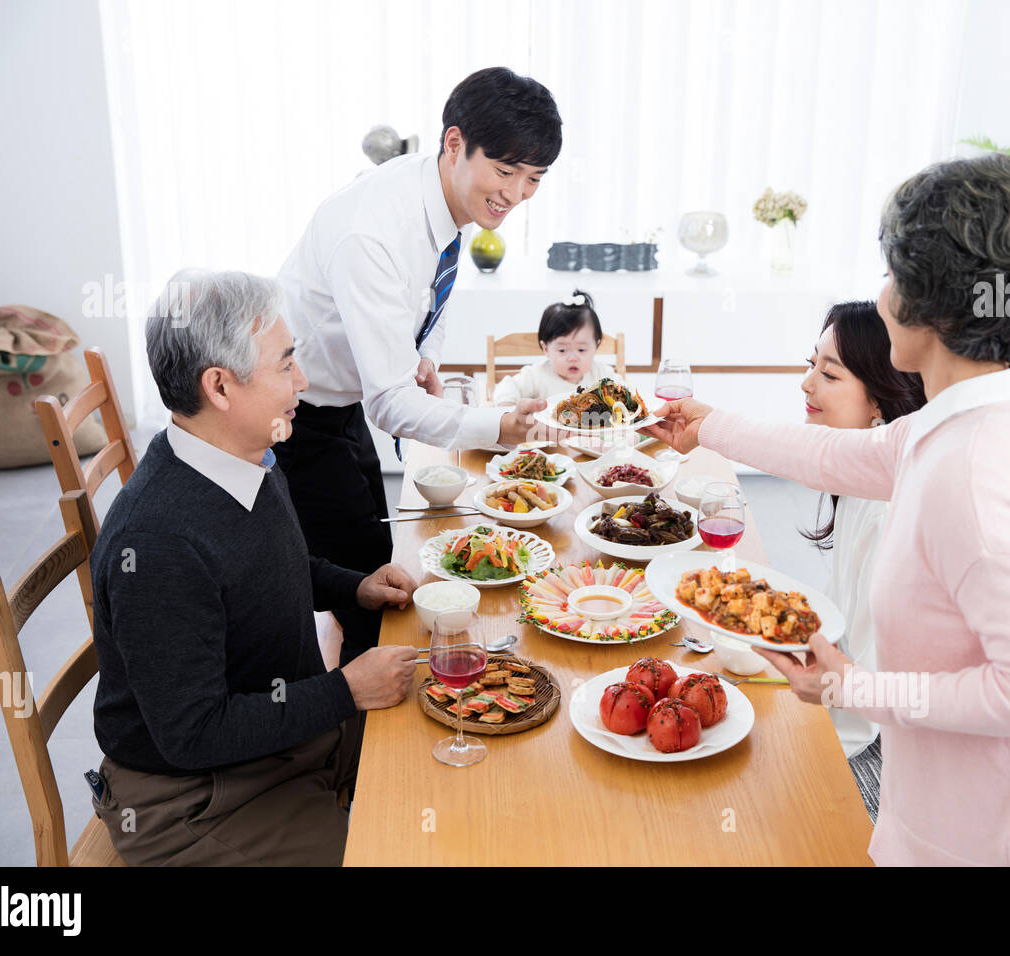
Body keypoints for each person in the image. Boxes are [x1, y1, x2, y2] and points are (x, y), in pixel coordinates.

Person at [643, 153, 1010, 866]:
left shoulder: (973, 476)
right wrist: (707, 424)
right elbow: (845, 457)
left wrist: (853, 684)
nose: (881, 295)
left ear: (931, 303)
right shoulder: (979, 416)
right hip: (951, 809)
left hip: (1004, 842)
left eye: (892, 274)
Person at [89, 269, 419, 865]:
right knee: (391, 851)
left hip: (283, 738)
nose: (304, 380)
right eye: (285, 363)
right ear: (220, 386)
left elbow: (276, 565)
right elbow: (193, 733)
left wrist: (357, 588)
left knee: (442, 741)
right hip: (192, 797)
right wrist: (346, 688)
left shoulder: (249, 457)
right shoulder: (157, 543)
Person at [275, 66, 563, 665]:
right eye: (505, 171)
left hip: (341, 400)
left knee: (385, 555)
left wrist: (420, 356)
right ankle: (358, 750)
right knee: (374, 601)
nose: (515, 195)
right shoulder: (375, 231)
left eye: (532, 179)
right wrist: (496, 425)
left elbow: (426, 295)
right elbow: (388, 404)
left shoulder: (439, 200)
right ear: (454, 144)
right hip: (294, 419)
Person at [795, 301, 925, 821]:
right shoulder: (859, 476)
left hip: (888, 750)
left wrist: (804, 750)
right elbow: (846, 627)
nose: (807, 384)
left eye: (828, 374)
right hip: (857, 708)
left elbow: (867, 694)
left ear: (879, 401)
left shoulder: (886, 510)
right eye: (811, 364)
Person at [492, 290, 616, 406]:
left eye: (581, 350)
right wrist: (508, 408)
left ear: (596, 346)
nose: (572, 358)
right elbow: (508, 387)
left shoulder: (602, 374)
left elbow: (626, 391)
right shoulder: (536, 376)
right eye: (562, 350)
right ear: (546, 349)